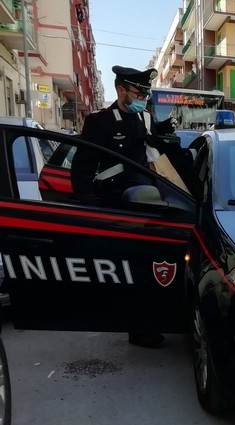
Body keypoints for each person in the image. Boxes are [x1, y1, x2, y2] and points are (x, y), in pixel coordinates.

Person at [72, 66, 182, 348]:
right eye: (138, 92)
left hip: (148, 203)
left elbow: (153, 155)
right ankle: (134, 326)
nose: (143, 98)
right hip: (115, 204)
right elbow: (82, 167)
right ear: (121, 91)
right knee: (125, 269)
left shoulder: (145, 117)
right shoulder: (101, 121)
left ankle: (146, 323)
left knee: (148, 267)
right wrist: (90, 205)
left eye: (145, 93)